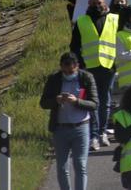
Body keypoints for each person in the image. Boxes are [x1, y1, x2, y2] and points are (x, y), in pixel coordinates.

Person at [40, 52, 97, 190]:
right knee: (62, 166)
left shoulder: (86, 78)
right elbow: (43, 103)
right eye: (64, 70)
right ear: (60, 67)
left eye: (70, 70)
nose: (67, 73)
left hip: (81, 127)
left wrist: (76, 101)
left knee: (80, 164)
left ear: (77, 66)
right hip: (60, 129)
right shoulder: (54, 79)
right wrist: (56, 100)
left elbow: (94, 104)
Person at [69, 0, 115, 150]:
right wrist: (79, 66)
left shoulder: (114, 19)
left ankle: (102, 132)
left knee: (106, 101)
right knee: (93, 103)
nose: (97, 5)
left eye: (99, 3)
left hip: (109, 67)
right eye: (94, 3)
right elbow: (74, 46)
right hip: (89, 67)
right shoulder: (81, 21)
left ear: (104, 3)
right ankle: (94, 135)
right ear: (89, 3)